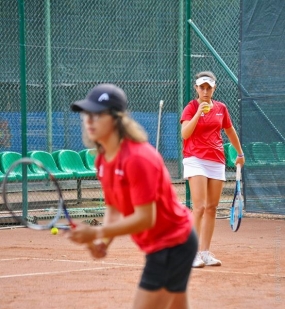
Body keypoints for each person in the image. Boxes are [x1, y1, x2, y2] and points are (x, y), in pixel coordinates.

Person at [69, 83, 198, 309]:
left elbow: (145, 218)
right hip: (163, 243)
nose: (89, 120)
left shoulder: (138, 158)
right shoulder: (102, 160)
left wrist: (97, 231)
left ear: (117, 119)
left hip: (173, 243)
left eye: (98, 114)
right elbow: (113, 208)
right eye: (86, 114)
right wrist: (103, 242)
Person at [180, 71, 245, 268]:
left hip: (216, 160)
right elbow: (185, 133)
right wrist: (199, 112)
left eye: (209, 87)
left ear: (214, 88)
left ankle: (205, 253)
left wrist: (240, 154)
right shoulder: (191, 107)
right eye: (202, 87)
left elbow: (229, 131)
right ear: (196, 89)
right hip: (195, 159)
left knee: (211, 208)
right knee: (199, 207)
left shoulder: (221, 108)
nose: (206, 91)